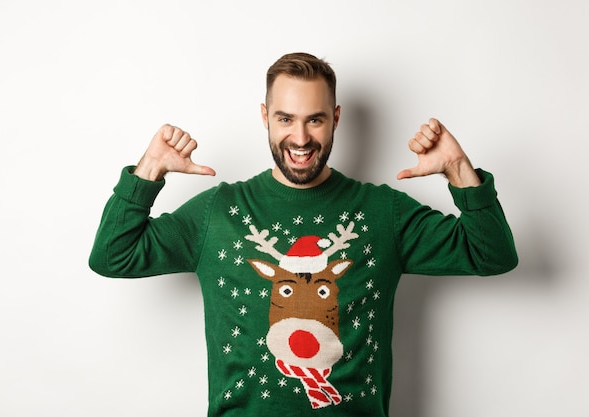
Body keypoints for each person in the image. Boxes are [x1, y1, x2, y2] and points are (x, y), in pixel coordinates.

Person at [89, 52, 517, 416]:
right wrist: (148, 172)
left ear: (335, 118)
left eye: (314, 119)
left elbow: (492, 254)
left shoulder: (383, 212)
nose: (300, 137)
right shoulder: (217, 212)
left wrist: (460, 171)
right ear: (265, 118)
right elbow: (112, 255)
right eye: (285, 119)